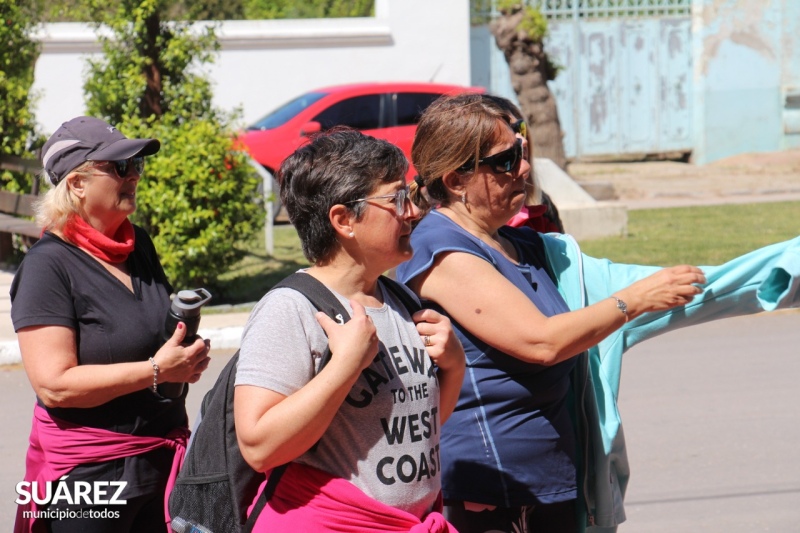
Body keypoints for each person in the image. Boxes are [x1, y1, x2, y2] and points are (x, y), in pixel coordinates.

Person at [397, 92, 800, 533]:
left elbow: (697, 285)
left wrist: (780, 271)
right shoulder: (440, 249)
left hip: (554, 484)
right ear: (457, 179)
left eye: (524, 151)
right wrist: (632, 302)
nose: (525, 168)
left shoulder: (531, 248)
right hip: (492, 496)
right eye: (507, 160)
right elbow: (541, 341)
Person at [233, 129, 465, 532]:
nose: (412, 212)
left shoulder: (401, 302)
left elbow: (418, 427)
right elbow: (258, 446)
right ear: (343, 220)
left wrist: (455, 368)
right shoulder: (291, 308)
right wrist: (344, 366)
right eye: (396, 199)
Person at [11, 117, 212, 533]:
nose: (135, 175)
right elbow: (55, 385)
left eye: (137, 164)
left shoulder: (137, 245)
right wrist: (157, 370)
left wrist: (183, 351)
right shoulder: (47, 266)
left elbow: (150, 339)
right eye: (120, 166)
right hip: (89, 478)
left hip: (157, 462)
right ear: (77, 183)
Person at [484, 94, 564, 233]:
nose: (521, 140)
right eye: (505, 132)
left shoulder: (543, 207)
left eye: (519, 128)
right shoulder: (447, 229)